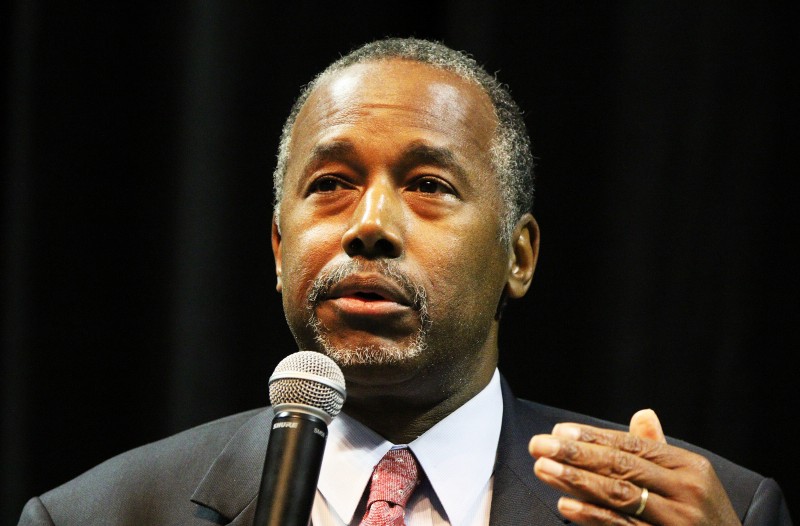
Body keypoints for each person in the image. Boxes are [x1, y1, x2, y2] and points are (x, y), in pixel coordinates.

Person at [18, 37, 791, 526]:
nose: (371, 224)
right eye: (331, 183)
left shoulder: (712, 511)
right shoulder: (96, 516)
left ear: (519, 257)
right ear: (279, 248)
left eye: (428, 184)